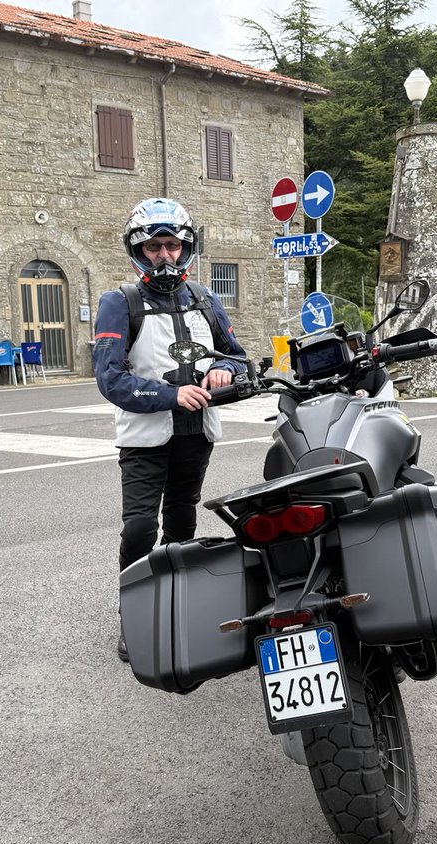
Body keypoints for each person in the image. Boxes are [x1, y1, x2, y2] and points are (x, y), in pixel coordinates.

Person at [93, 198, 247, 662]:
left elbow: (239, 358)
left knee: (182, 522)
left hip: (195, 433)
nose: (166, 255)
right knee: (140, 527)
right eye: (155, 246)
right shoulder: (119, 302)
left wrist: (224, 370)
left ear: (186, 247)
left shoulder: (204, 297)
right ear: (139, 251)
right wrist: (170, 395)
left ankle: (178, 605)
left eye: (173, 245)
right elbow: (109, 376)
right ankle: (134, 614)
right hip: (144, 436)